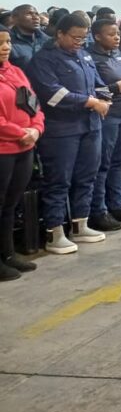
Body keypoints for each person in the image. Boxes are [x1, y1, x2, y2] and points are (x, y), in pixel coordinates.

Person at [27, 14, 110, 254]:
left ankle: (80, 225)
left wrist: (106, 96)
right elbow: (54, 95)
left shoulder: (84, 56)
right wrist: (91, 102)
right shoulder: (43, 61)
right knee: (58, 181)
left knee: (87, 176)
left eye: (83, 38)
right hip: (61, 131)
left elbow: (97, 83)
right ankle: (54, 233)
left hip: (90, 127)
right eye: (74, 37)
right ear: (60, 34)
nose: (79, 42)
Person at [0, 24, 45, 279]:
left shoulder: (16, 71)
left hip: (25, 146)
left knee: (10, 204)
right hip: (4, 149)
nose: (6, 47)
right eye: (0, 43)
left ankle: (7, 254)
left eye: (7, 42)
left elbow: (34, 104)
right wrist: (21, 133)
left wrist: (36, 129)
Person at [89, 18, 121, 228]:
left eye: (118, 34)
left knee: (120, 161)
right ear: (97, 36)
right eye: (111, 34)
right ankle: (99, 210)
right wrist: (115, 88)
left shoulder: (120, 54)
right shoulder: (90, 57)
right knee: (104, 163)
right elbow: (89, 90)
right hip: (107, 116)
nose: (117, 37)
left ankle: (117, 204)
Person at [9, 5, 49, 70]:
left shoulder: (48, 40)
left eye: (36, 14)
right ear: (15, 18)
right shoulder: (7, 42)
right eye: (29, 14)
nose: (35, 17)